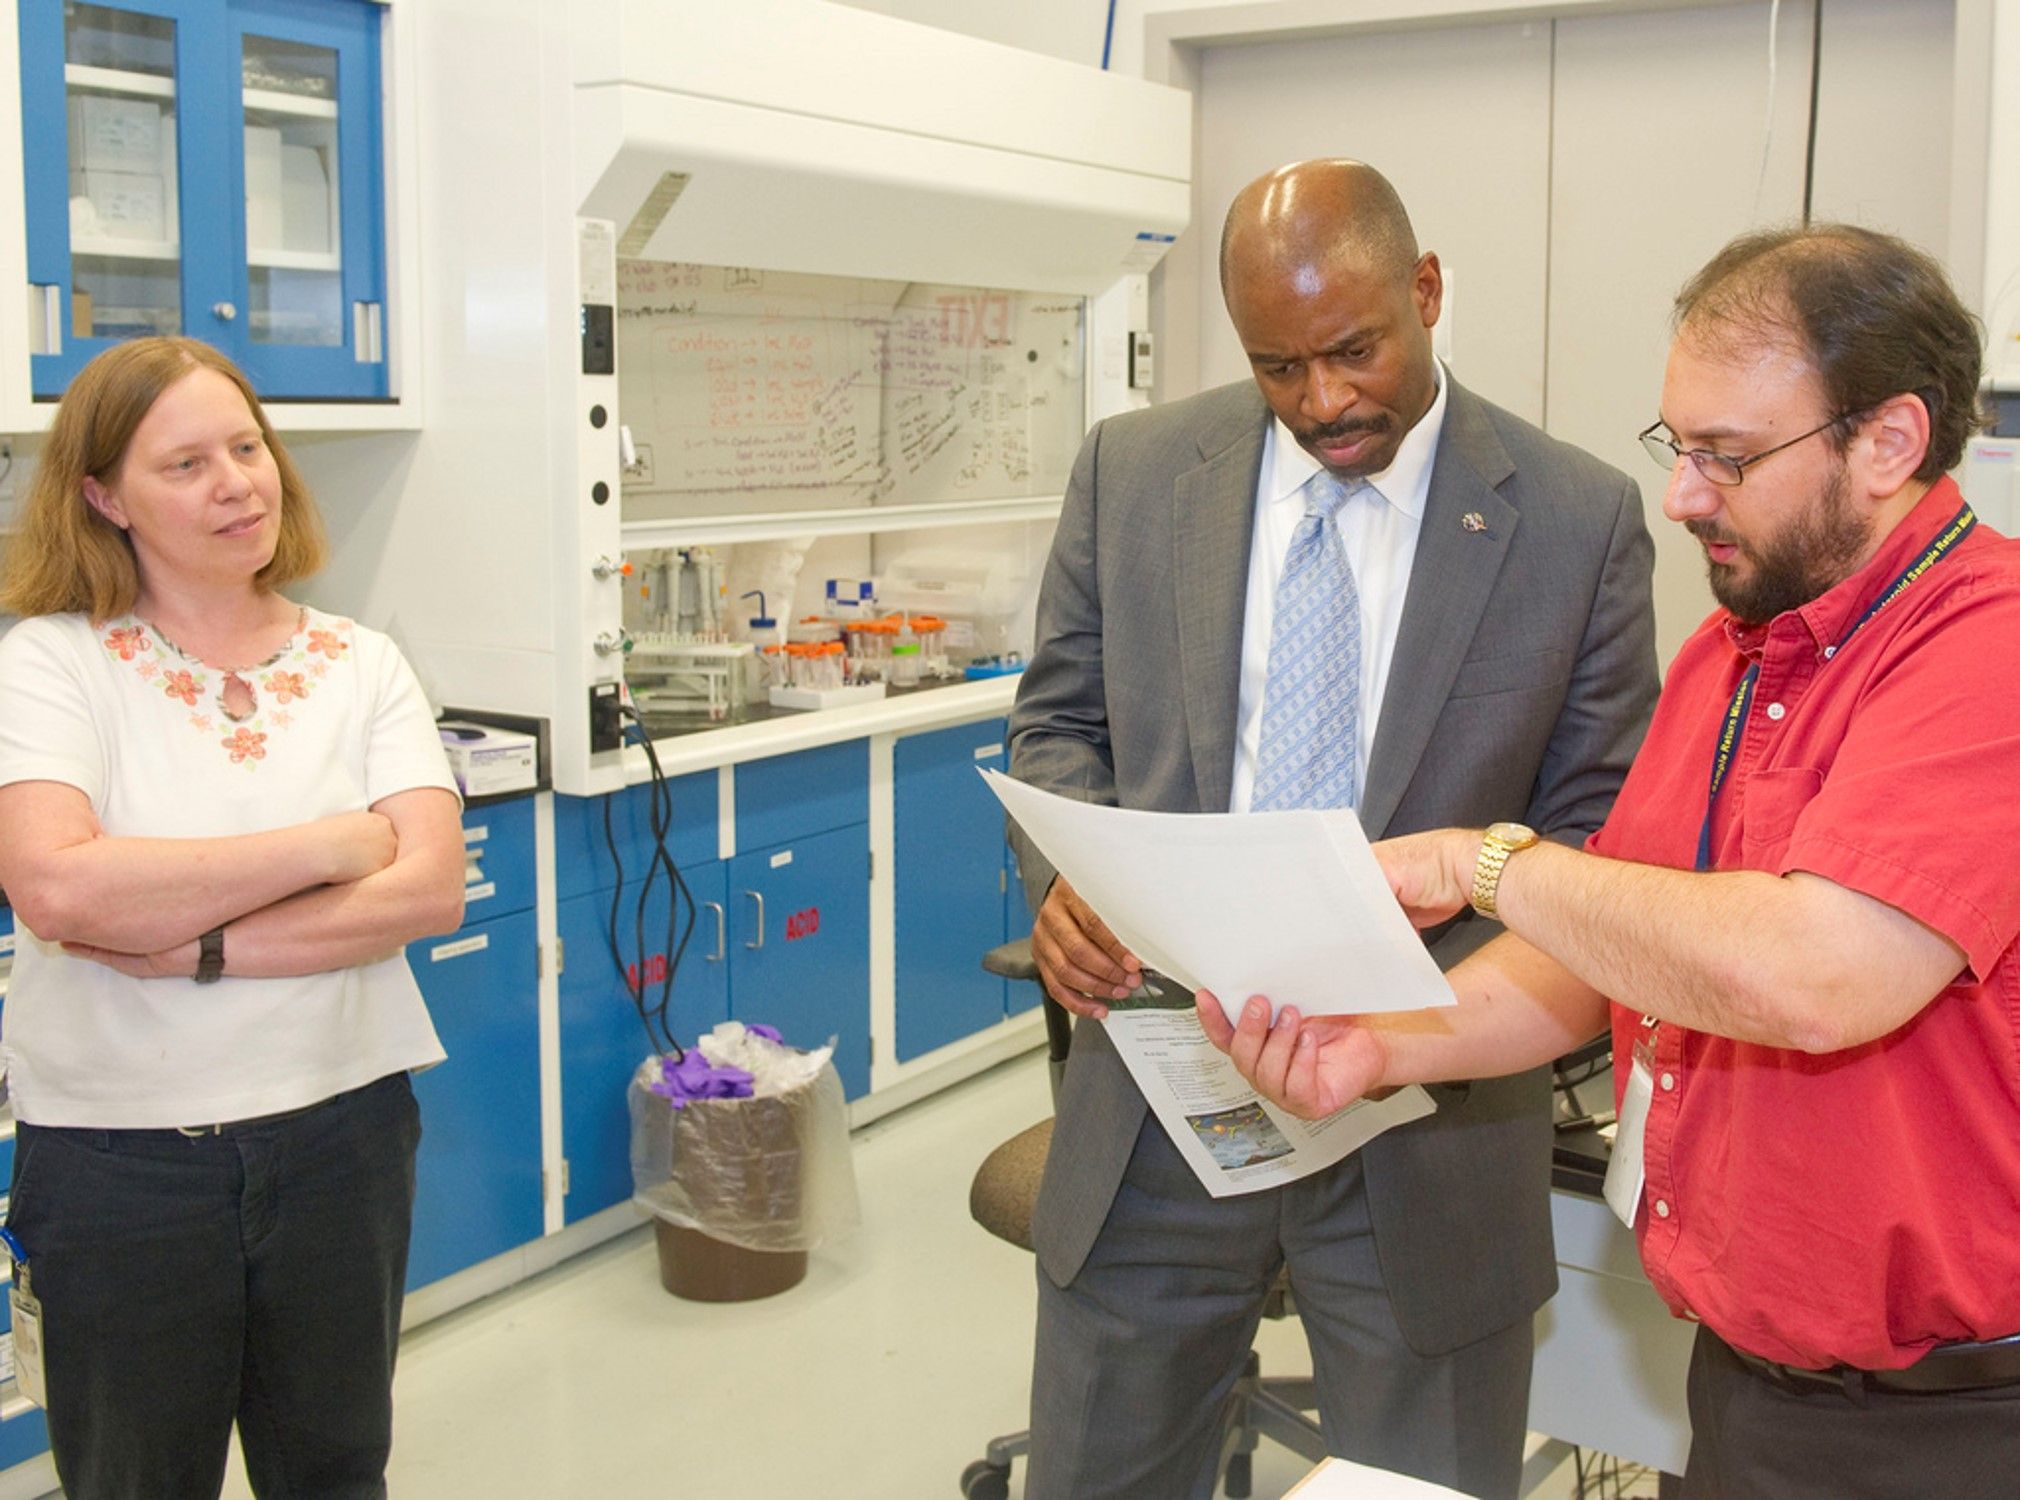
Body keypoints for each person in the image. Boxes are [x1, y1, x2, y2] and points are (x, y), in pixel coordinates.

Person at [1202, 222, 2020, 1498]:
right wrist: (1386, 1048)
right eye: (1677, 447)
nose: (1684, 494)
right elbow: (1596, 954)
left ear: (1889, 441)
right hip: (1753, 1384)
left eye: (1729, 457)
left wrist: (1487, 862)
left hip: (1956, 1420)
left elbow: (1818, 975)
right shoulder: (1736, 657)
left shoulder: (1986, 651)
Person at [1006, 158, 1660, 1499]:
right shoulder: (1134, 474)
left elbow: (1600, 836)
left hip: (1430, 1122)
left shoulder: (1576, 521)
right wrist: (1068, 881)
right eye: (1278, 367)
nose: (1321, 402)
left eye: (1353, 351)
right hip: (1160, 1100)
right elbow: (1059, 727)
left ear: (1426, 293)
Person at [0, 337, 466, 1498]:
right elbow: (59, 889)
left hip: (341, 1138)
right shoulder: (54, 665)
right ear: (103, 496)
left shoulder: (363, 664)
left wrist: (193, 943)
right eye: (186, 464)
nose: (236, 485)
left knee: (336, 1470)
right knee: (135, 1479)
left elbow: (425, 890)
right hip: (122, 1166)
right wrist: (323, 846)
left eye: (247, 447)